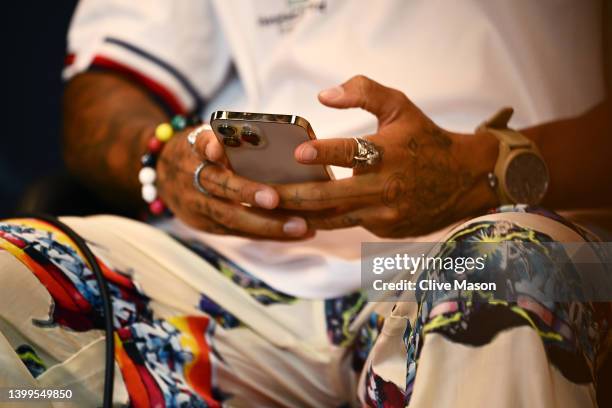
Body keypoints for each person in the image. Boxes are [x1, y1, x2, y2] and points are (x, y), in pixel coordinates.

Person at [1, 1, 610, 406]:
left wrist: (482, 169)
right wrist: (161, 157)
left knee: (504, 273)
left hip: (524, 234)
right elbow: (101, 96)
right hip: (256, 274)